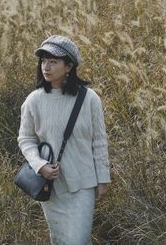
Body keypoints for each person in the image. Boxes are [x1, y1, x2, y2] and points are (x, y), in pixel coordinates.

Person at [17, 35, 111, 245]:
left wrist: (103, 178)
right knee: (59, 240)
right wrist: (40, 166)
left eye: (53, 61)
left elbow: (99, 140)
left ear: (69, 66)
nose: (46, 67)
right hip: (51, 186)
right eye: (43, 61)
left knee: (78, 240)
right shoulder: (34, 100)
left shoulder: (90, 99)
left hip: (82, 183)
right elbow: (26, 139)